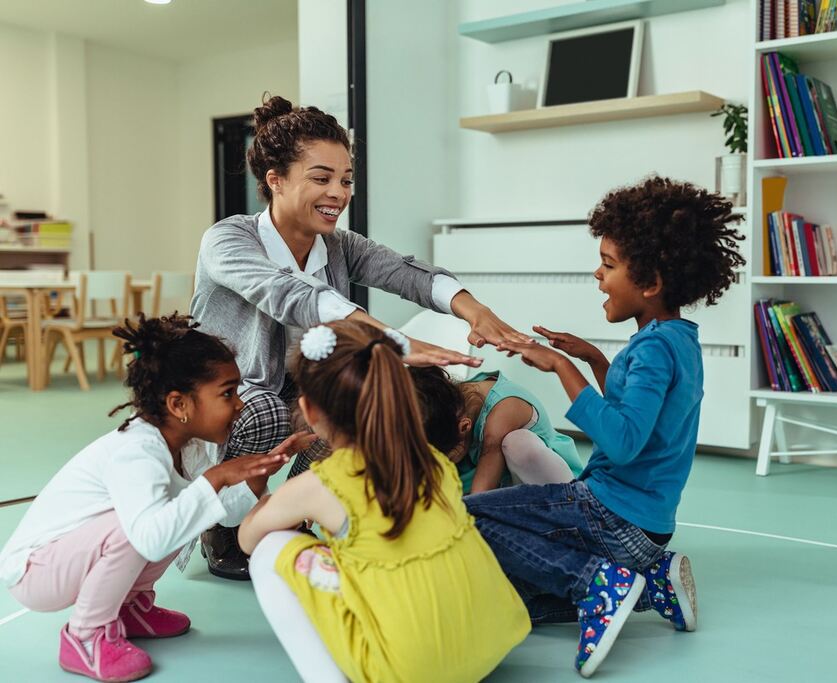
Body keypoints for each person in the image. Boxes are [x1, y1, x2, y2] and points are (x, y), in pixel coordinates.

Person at [191, 94, 528, 579]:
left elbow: (405, 272)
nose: (339, 193)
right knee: (264, 410)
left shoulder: (338, 245)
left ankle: (305, 511)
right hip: (234, 397)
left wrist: (475, 310)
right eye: (321, 178)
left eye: (346, 180)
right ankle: (223, 531)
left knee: (357, 402)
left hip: (298, 393)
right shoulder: (227, 239)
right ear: (276, 180)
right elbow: (288, 294)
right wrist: (391, 340)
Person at [464, 177, 746, 677]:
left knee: (468, 517)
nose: (597, 275)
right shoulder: (676, 340)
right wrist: (593, 357)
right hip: (647, 528)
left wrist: (561, 368)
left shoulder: (654, 348)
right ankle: (651, 583)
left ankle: (598, 583)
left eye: (609, 265)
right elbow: (643, 416)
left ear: (652, 283)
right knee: (517, 604)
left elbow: (622, 439)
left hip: (608, 513)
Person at [0, 314, 309, 683]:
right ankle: (84, 636)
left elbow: (212, 518)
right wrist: (214, 479)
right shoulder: (138, 451)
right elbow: (149, 538)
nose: (240, 404)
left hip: (69, 560)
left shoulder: (188, 446)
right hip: (37, 574)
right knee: (146, 526)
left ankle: (130, 609)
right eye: (228, 393)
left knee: (178, 514)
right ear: (179, 405)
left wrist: (259, 476)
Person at [238, 321, 531, 682]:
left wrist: (261, 485)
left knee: (271, 549)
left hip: (412, 670)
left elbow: (247, 539)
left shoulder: (323, 482)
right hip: (490, 641)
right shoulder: (431, 458)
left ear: (310, 411)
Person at [409, 366, 583, 492]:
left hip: (557, 490)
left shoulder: (504, 410)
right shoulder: (444, 404)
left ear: (464, 427)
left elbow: (480, 496)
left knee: (518, 443)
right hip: (507, 500)